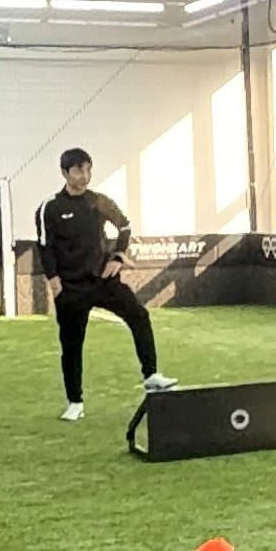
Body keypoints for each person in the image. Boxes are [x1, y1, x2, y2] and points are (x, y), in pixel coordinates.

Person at [37, 149, 176, 419]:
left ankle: (151, 375)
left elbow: (124, 227)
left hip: (104, 282)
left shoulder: (99, 201)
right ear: (65, 173)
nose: (85, 176)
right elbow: (45, 247)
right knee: (72, 345)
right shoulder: (50, 207)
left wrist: (118, 256)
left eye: (88, 169)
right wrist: (55, 282)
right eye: (78, 171)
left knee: (139, 315)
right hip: (71, 288)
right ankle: (75, 402)